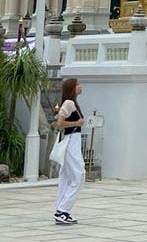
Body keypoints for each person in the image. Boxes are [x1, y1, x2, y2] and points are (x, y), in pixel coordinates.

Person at [54, 78, 85, 225]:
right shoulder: (69, 103)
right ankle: (63, 209)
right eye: (78, 85)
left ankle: (61, 210)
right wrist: (76, 123)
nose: (80, 87)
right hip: (71, 141)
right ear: (72, 88)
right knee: (79, 176)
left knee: (66, 177)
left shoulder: (72, 103)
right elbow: (59, 123)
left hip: (72, 140)